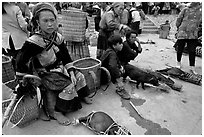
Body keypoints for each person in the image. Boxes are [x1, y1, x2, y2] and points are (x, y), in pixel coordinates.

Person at [15, 2, 92, 126]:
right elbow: (20, 62)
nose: (50, 24)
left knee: (79, 76)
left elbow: (66, 57)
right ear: (37, 22)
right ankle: (56, 112)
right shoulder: (33, 42)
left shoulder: (58, 37)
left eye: (52, 20)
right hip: (45, 73)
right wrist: (27, 80)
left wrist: (71, 71)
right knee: (68, 86)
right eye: (45, 21)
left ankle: (82, 96)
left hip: (59, 67)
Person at [100, 34, 131, 100]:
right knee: (119, 72)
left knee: (121, 67)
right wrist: (118, 78)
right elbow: (112, 67)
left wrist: (120, 66)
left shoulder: (109, 50)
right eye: (120, 43)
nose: (122, 45)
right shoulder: (112, 54)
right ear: (114, 45)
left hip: (102, 71)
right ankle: (120, 89)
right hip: (104, 75)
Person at [175, 2, 202, 74]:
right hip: (183, 32)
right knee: (180, 48)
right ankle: (178, 63)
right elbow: (179, 19)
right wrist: (179, 28)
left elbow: (201, 22)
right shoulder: (185, 10)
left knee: (192, 51)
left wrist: (198, 29)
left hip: (193, 34)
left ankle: (192, 67)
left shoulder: (201, 12)